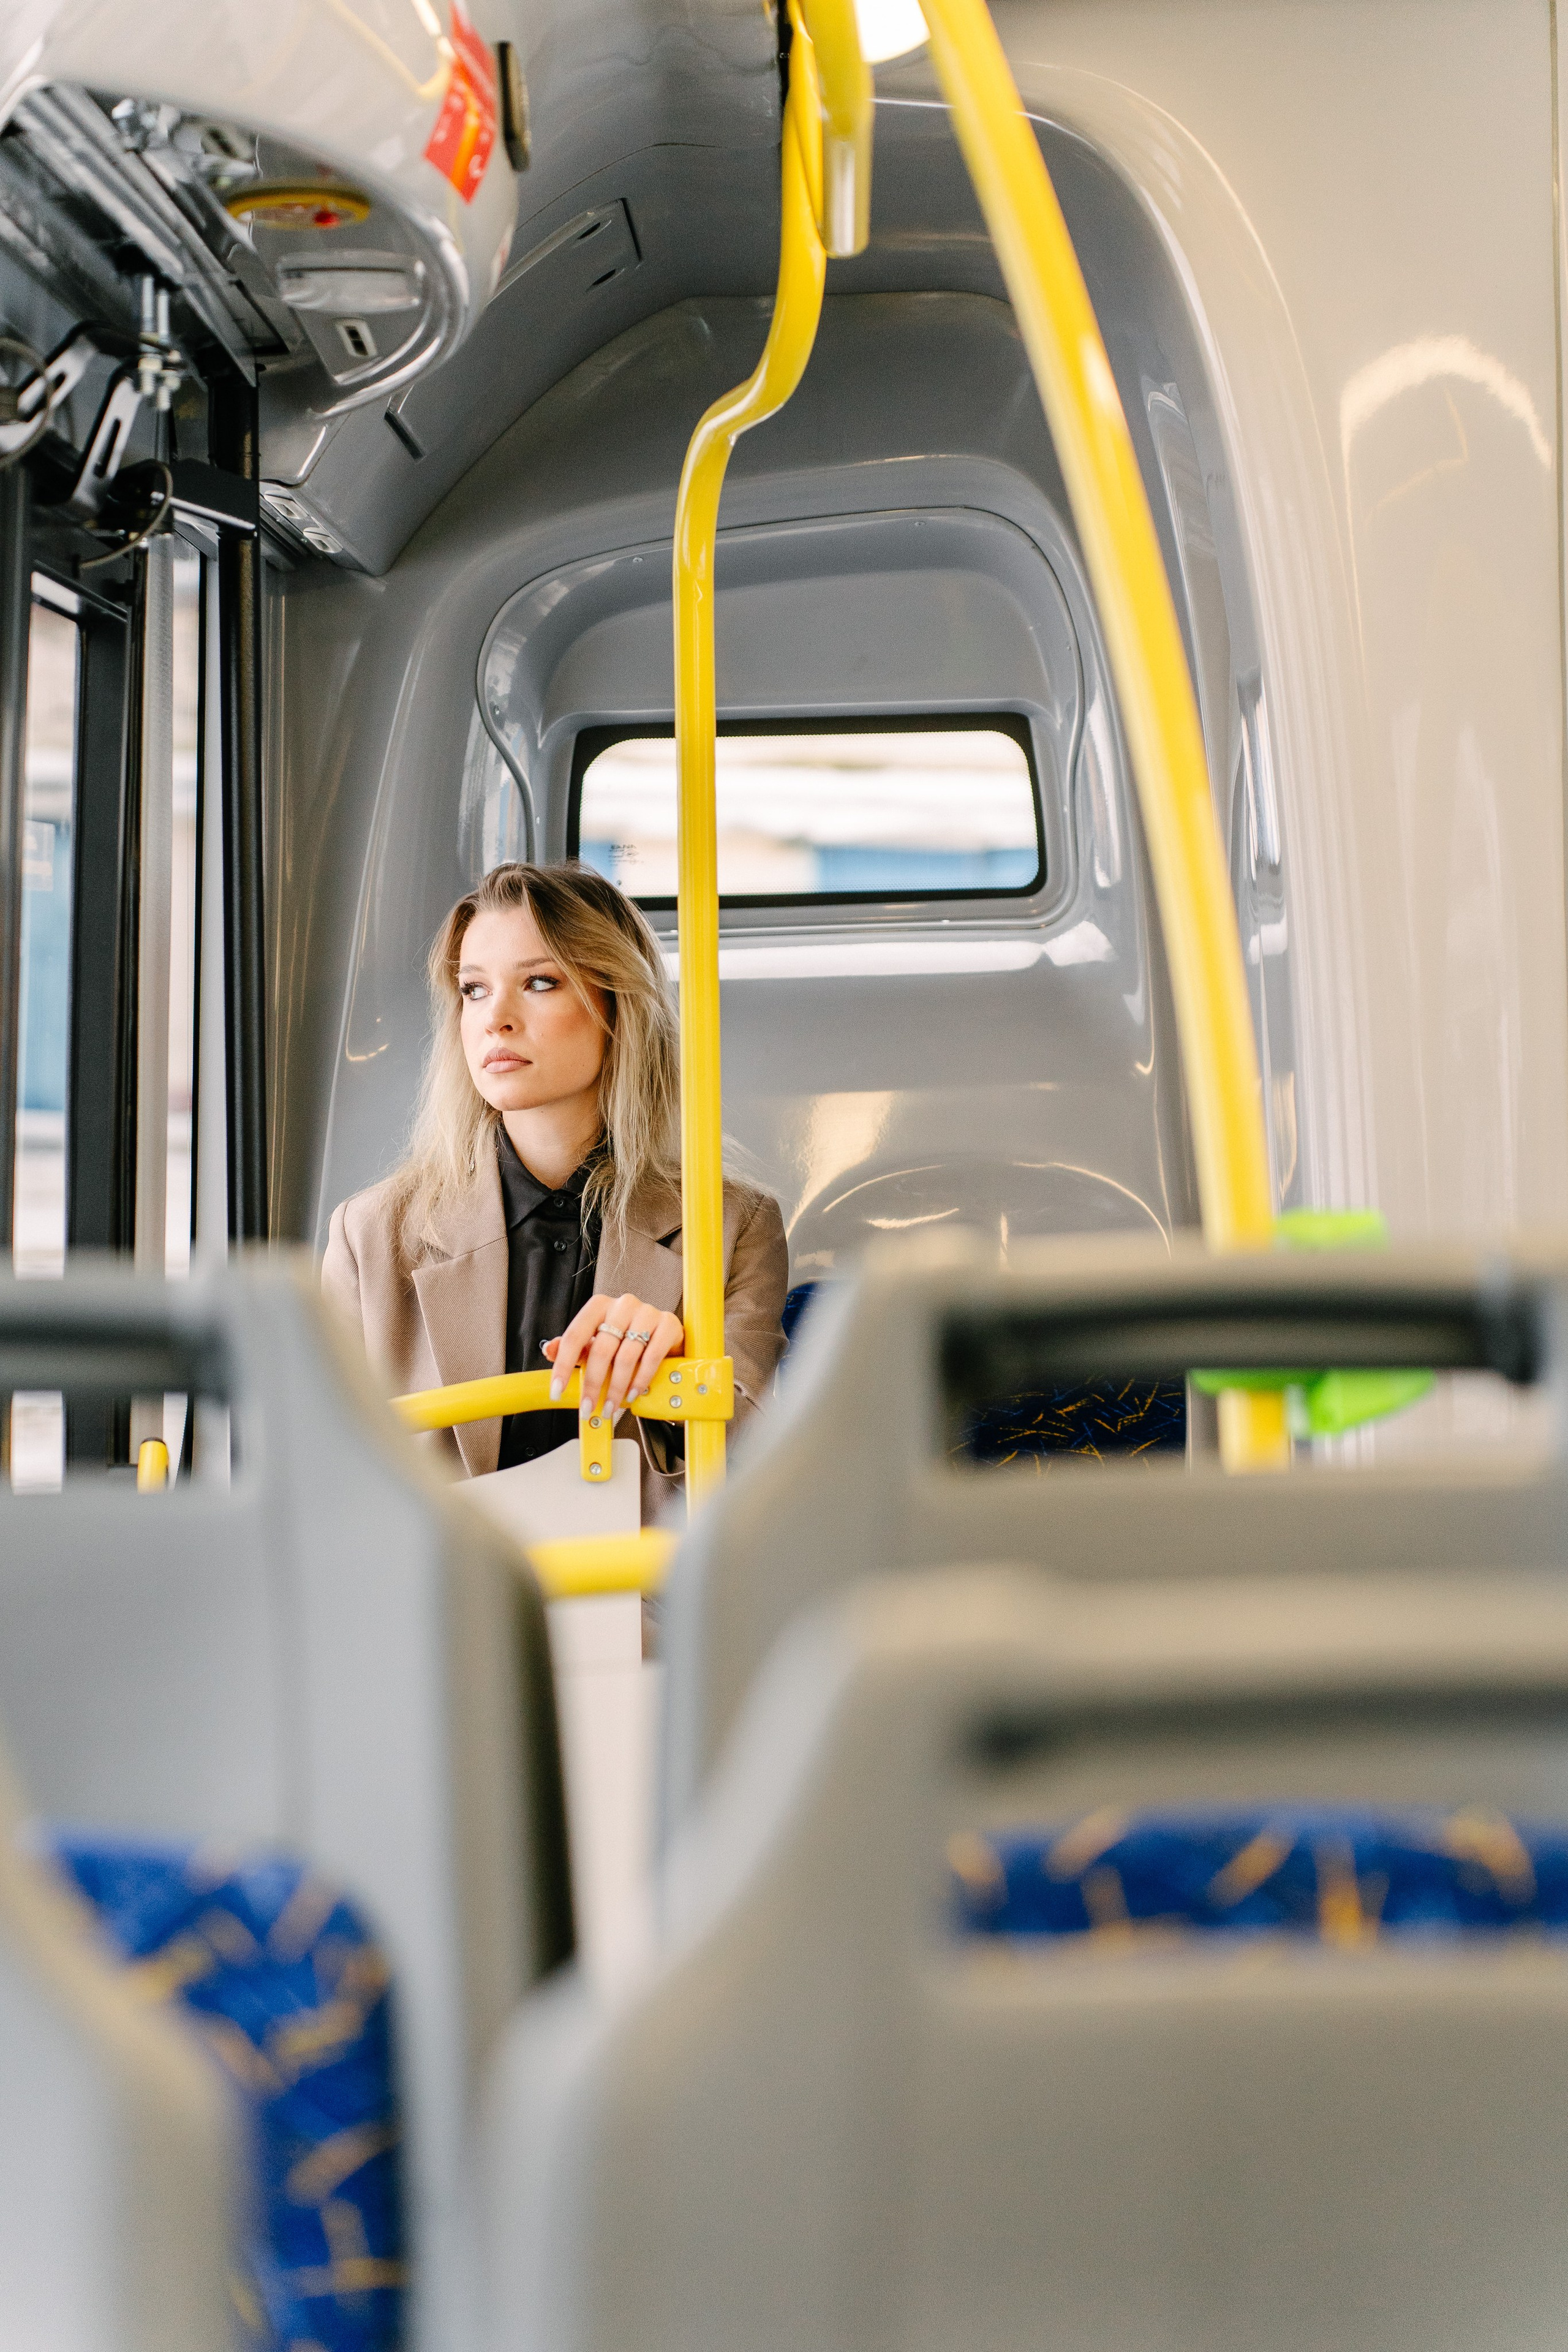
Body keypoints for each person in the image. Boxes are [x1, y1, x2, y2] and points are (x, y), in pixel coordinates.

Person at [322, 860, 788, 1518]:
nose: (496, 1019)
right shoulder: (371, 1235)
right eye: (474, 989)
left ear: (618, 1006)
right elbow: (324, 1484)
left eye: (540, 982)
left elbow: (752, 1485)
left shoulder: (732, 1226)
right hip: (436, 1580)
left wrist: (678, 1372)